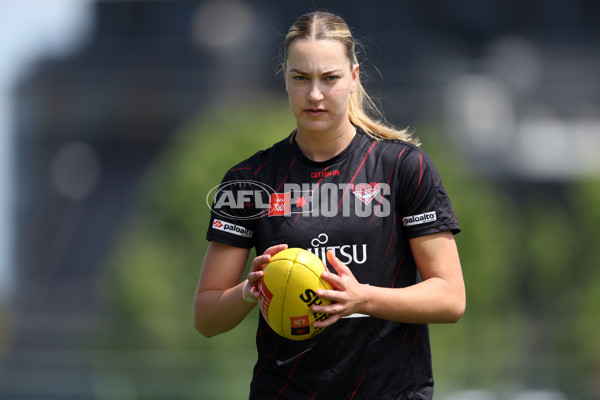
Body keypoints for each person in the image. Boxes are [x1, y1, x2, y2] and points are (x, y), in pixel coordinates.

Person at [194, 10, 465, 400]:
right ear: (284, 78)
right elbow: (206, 317)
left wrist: (362, 298)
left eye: (330, 78)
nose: (315, 94)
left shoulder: (403, 167)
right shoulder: (249, 180)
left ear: (354, 77)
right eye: (301, 78)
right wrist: (250, 292)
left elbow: (451, 297)